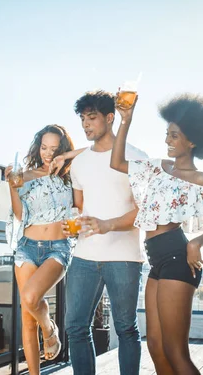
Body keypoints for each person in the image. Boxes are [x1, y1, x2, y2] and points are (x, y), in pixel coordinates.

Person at [110, 93, 203, 375]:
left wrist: (197, 242)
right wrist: (126, 120)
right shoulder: (157, 167)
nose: (167, 141)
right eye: (167, 135)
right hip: (157, 261)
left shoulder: (201, 181)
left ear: (193, 141)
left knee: (176, 352)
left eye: (174, 136)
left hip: (178, 258)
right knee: (157, 349)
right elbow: (117, 162)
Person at [57, 90, 147, 375]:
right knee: (75, 326)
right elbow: (79, 207)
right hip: (84, 256)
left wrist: (108, 224)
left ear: (110, 118)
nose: (85, 124)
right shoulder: (80, 163)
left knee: (125, 329)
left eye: (92, 117)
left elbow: (144, 212)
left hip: (124, 256)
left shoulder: (135, 157)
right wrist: (72, 224)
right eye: (83, 118)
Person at [5, 124, 75, 375]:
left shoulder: (70, 175)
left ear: (64, 149)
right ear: (37, 147)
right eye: (44, 147)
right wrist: (12, 187)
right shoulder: (26, 176)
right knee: (26, 317)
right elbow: (20, 213)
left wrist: (66, 157)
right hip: (27, 246)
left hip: (58, 247)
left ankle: (49, 328)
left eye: (55, 148)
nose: (47, 153)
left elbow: (97, 151)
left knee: (30, 297)